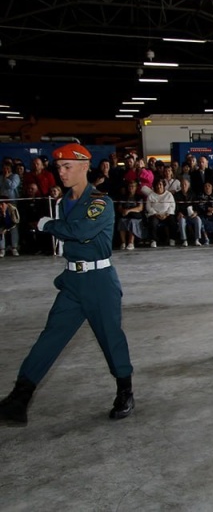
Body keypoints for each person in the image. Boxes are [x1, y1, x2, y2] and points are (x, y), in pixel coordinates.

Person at [0, 143, 135, 426]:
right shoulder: (63, 203)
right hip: (72, 280)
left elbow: (82, 232)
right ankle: (19, 398)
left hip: (98, 281)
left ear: (85, 166)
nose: (61, 172)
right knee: (51, 336)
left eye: (67, 167)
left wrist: (46, 224)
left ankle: (125, 391)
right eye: (58, 167)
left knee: (110, 338)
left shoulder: (100, 202)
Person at [145, 179, 177, 247]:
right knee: (153, 222)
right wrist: (156, 214)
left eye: (160, 184)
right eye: (157, 185)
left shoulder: (169, 194)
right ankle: (153, 240)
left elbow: (172, 206)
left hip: (167, 214)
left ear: (163, 185)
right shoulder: (151, 195)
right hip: (155, 214)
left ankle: (172, 239)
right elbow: (148, 207)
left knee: (173, 221)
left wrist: (167, 214)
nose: (159, 186)